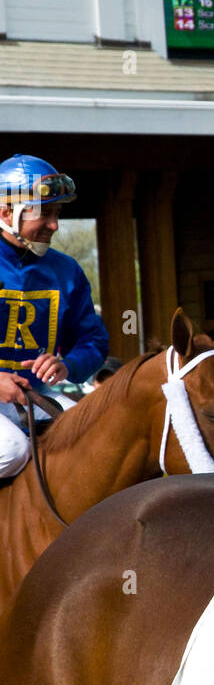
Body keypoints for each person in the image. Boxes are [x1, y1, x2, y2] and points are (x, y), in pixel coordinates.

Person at [0, 154, 109, 479]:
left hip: (39, 394)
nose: (55, 225)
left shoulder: (67, 270)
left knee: (100, 443)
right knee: (11, 450)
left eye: (57, 213)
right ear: (6, 212)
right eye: (45, 214)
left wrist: (68, 365)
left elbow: (93, 340)